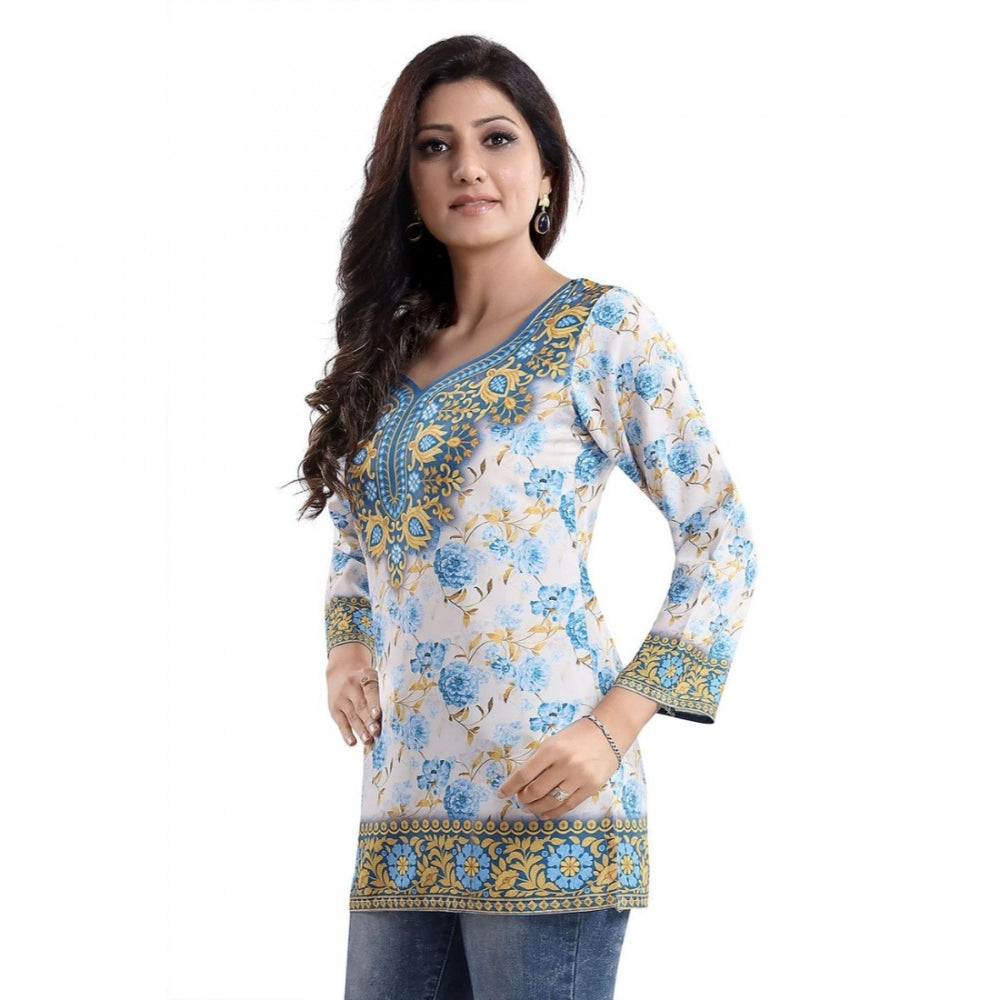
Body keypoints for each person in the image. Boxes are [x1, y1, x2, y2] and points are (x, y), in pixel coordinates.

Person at [296, 34, 758, 1000]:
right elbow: (355, 535)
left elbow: (720, 538)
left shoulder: (602, 329)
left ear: (546, 171)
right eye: (435, 146)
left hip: (549, 795)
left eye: (496, 138)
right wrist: (345, 647)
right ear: (408, 183)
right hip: (403, 809)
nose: (468, 166)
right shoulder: (389, 355)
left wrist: (613, 729)